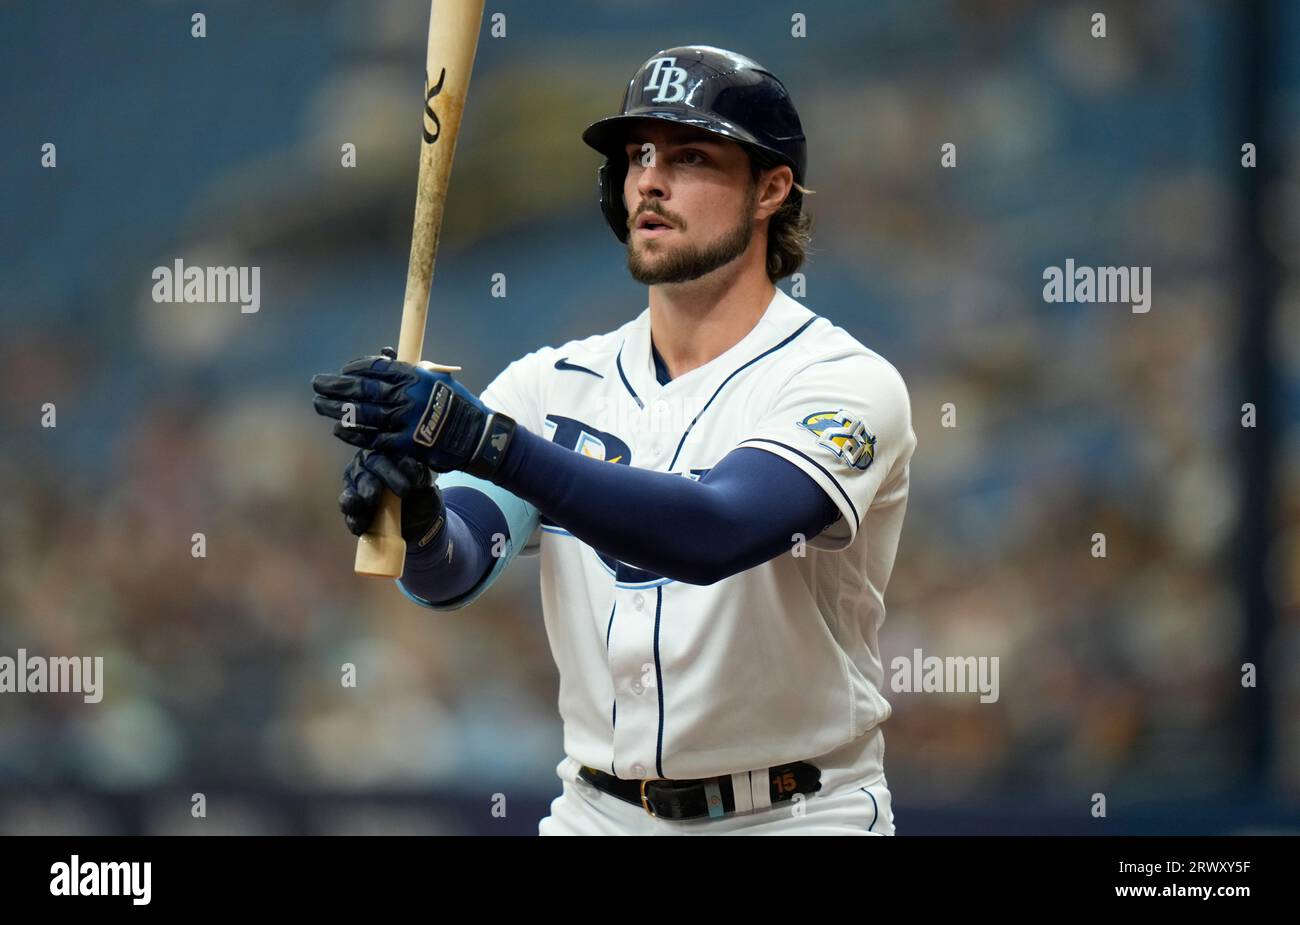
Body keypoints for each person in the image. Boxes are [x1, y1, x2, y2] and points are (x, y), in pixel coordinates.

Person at [312, 45, 916, 835]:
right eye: (638, 157)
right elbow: (452, 572)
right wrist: (420, 517)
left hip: (797, 813)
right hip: (595, 812)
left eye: (691, 156)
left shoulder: (844, 381)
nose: (651, 181)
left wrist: (489, 444)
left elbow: (714, 531)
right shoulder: (552, 380)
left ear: (772, 188)